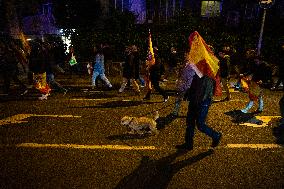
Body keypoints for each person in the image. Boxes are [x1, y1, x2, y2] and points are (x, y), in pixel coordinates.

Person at [175, 66, 222, 151]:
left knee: (200, 124)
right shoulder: (198, 72)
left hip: (202, 103)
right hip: (194, 101)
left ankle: (216, 135)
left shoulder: (209, 75)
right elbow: (194, 85)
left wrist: (197, 99)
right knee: (190, 122)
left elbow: (206, 92)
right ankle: (188, 144)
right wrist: (188, 93)